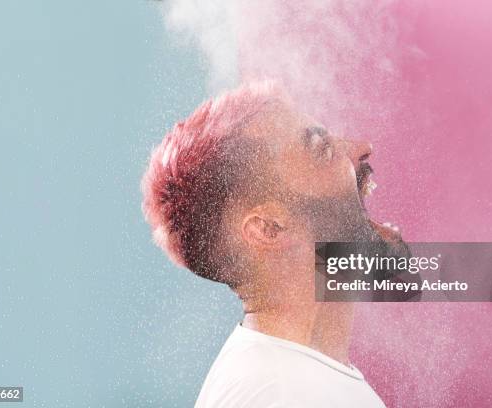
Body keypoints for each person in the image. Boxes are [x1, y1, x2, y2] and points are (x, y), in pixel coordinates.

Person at [141, 81, 401, 407]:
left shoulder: (297, 382)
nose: (362, 147)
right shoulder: (269, 393)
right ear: (268, 228)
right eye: (322, 149)